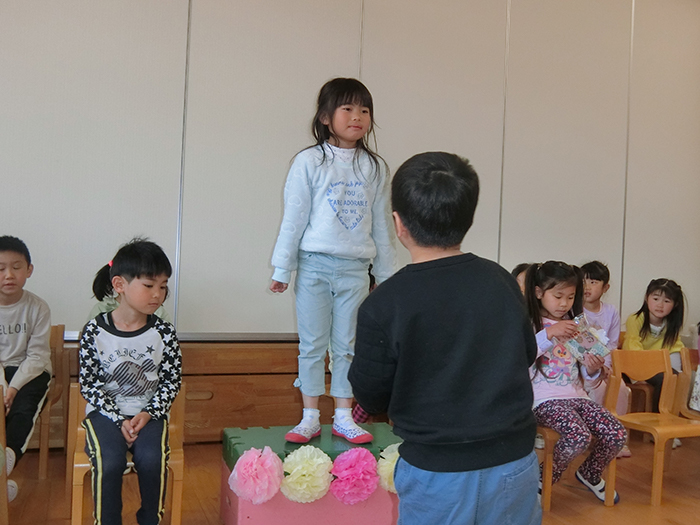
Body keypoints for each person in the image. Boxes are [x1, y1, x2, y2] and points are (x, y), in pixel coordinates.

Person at [349, 152, 541, 525]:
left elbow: (370, 396)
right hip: (514, 462)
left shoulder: (384, 304)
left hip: (437, 472)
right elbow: (526, 352)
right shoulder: (501, 281)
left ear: (398, 223)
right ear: (468, 218)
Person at [270, 78, 395, 444]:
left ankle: (343, 415)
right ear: (325, 117)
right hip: (314, 265)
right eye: (348, 108)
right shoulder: (309, 161)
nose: (357, 117)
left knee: (348, 346)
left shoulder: (374, 167)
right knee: (312, 344)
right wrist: (283, 268)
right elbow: (294, 218)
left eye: (364, 110)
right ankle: (309, 416)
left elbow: (382, 226)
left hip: (355, 270)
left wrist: (386, 276)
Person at [80, 239, 182, 525]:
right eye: (149, 285)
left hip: (149, 414)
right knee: (110, 462)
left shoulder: (164, 332)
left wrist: (148, 413)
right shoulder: (94, 330)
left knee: (151, 460)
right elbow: (89, 384)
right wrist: (117, 418)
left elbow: (171, 380)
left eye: (163, 286)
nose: (158, 294)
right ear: (119, 285)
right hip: (104, 415)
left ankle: (150, 519)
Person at [525, 261, 626, 504]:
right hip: (543, 399)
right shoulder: (528, 324)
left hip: (577, 396)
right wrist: (550, 333)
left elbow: (587, 374)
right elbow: (521, 358)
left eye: (570, 297)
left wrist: (592, 368)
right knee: (578, 436)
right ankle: (543, 479)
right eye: (558, 296)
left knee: (616, 433)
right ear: (539, 293)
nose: (564, 304)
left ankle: (589, 473)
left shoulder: (577, 326)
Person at [0, 235, 51, 502]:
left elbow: (37, 356)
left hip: (31, 371)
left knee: (22, 409)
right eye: (0, 268)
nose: (8, 275)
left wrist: (14, 388)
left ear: (29, 270)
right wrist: (3, 386)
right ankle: (2, 487)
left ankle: (7, 459)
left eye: (16, 267)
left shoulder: (38, 307)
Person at [581, 261, 631, 457]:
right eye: (583, 281)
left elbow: (612, 344)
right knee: (598, 389)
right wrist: (592, 367)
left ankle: (618, 439)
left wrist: (606, 367)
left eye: (593, 282)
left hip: (605, 365)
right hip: (584, 366)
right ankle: (599, 437)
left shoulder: (611, 311)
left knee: (621, 388)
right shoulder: (576, 310)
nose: (587, 286)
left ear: (605, 287)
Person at [622, 278, 685, 413]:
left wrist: (678, 373)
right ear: (647, 298)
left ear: (675, 304)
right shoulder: (636, 319)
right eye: (656, 299)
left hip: (658, 369)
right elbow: (632, 349)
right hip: (635, 366)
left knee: (675, 376)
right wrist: (637, 377)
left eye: (667, 301)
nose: (660, 305)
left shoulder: (671, 326)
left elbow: (675, 349)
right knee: (665, 377)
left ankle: (672, 415)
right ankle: (658, 416)